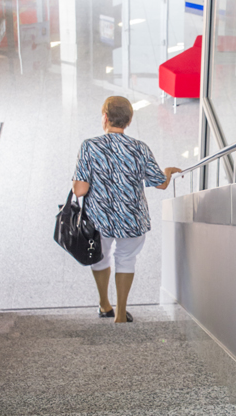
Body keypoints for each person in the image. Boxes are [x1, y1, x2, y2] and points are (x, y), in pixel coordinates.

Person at [72, 96, 181, 323]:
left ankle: (104, 304)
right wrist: (168, 171)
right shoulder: (140, 148)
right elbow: (160, 183)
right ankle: (120, 314)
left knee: (100, 259)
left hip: (98, 220)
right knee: (126, 259)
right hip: (132, 219)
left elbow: (80, 190)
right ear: (128, 121)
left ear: (105, 118)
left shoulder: (89, 147)